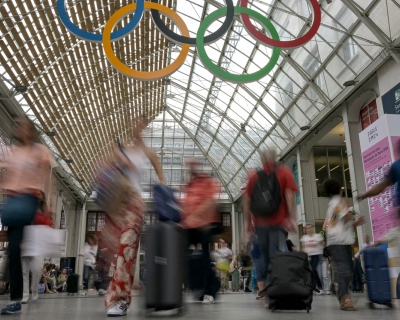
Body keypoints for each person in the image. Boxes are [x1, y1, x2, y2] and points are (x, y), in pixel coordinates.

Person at [98, 117, 165, 317]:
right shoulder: (120, 147)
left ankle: (120, 300)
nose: (136, 126)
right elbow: (103, 167)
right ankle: (116, 294)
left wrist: (163, 194)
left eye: (140, 123)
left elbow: (162, 178)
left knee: (127, 249)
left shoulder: (148, 152)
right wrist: (116, 159)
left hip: (134, 203)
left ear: (144, 127)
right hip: (118, 202)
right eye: (133, 122)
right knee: (115, 250)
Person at [0, 117, 54, 315]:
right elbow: (8, 178)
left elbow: (48, 178)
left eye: (22, 125)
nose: (18, 128)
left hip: (30, 201)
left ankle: (19, 297)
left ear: (30, 130)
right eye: (16, 125)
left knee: (19, 250)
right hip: (14, 203)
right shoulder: (14, 152)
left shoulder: (40, 151)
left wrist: (48, 205)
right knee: (13, 251)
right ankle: (15, 298)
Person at [244, 149, 298, 306]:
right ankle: (273, 294)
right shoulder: (284, 172)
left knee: (264, 258)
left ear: (261, 160)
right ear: (276, 157)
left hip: (260, 224)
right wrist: (291, 218)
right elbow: (289, 195)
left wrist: (248, 223)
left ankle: (267, 292)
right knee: (276, 257)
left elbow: (247, 200)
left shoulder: (254, 176)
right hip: (278, 223)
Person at [180, 158, 221, 305]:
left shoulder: (207, 181)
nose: (190, 167)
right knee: (185, 257)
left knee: (204, 259)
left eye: (192, 164)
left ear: (198, 166)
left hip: (204, 225)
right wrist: (184, 221)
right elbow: (185, 206)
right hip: (190, 227)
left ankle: (209, 291)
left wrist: (197, 217)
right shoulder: (189, 185)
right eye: (188, 165)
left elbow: (211, 201)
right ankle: (197, 288)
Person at [323, 179, 365, 311]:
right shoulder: (338, 201)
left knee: (344, 269)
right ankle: (344, 299)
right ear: (340, 190)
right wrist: (346, 205)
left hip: (338, 241)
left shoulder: (332, 204)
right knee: (343, 270)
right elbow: (346, 217)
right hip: (339, 242)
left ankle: (344, 296)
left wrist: (356, 224)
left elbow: (339, 224)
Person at [300, 224, 325, 294]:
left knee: (314, 269)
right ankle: (311, 286)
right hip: (308, 256)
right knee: (310, 272)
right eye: (307, 228)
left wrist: (321, 250)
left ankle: (320, 287)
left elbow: (322, 244)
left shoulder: (317, 236)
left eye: (310, 228)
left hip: (316, 255)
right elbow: (303, 247)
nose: (308, 230)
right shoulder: (304, 238)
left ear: (312, 228)